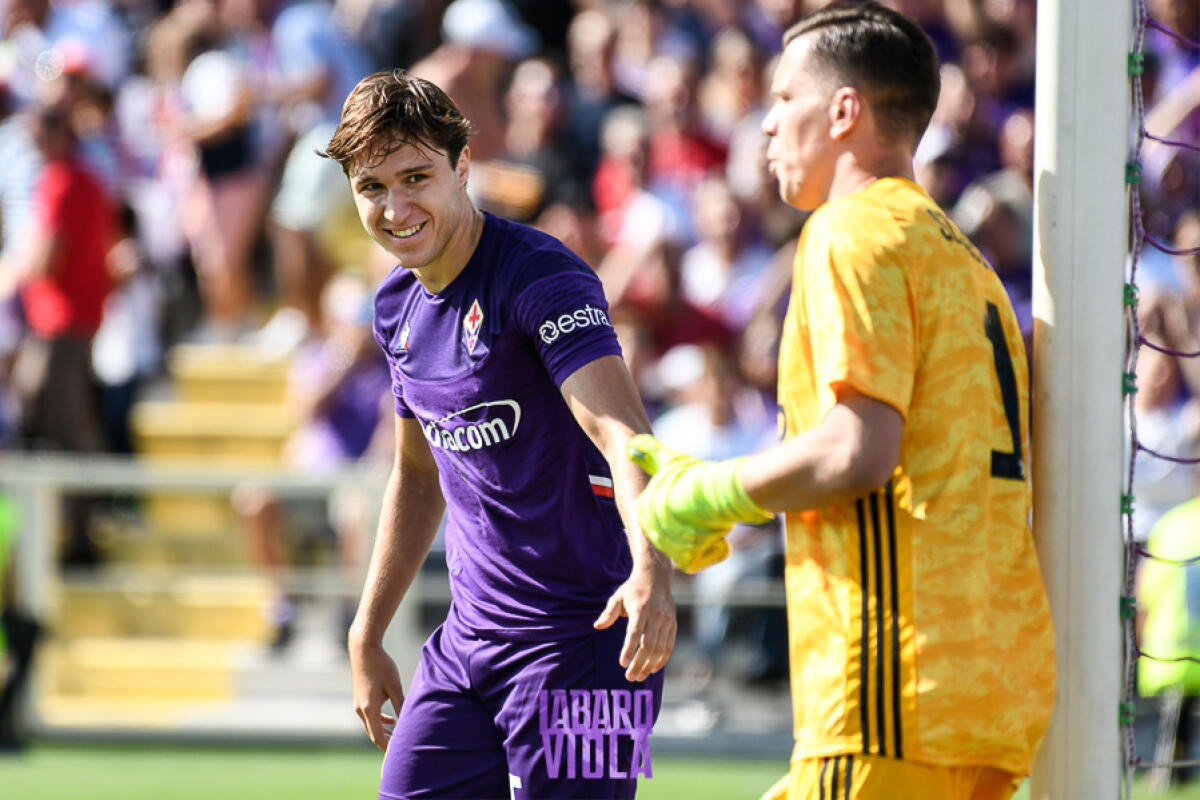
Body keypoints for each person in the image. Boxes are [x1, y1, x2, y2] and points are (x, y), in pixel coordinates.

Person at [625, 4, 1056, 799]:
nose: (764, 127)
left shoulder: (849, 232)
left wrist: (704, 494)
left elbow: (858, 449)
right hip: (988, 686)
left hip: (889, 685)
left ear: (844, 110)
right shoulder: (967, 260)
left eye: (783, 101)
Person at [320, 69, 675, 800]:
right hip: (466, 648)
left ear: (462, 166)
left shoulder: (543, 279)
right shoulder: (394, 307)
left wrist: (654, 572)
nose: (395, 206)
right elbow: (418, 477)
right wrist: (368, 628)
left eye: (416, 176)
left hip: (590, 643)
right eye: (372, 187)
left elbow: (624, 435)